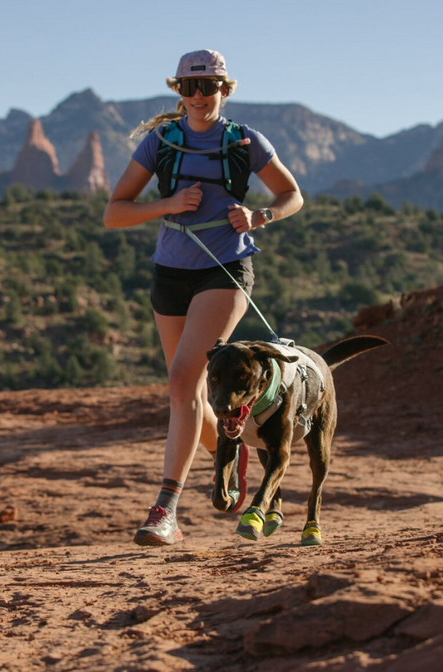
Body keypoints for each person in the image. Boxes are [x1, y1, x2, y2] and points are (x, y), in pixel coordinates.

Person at [103, 49, 303, 546]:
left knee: (180, 380)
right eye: (189, 88)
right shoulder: (162, 142)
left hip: (225, 268)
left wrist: (260, 217)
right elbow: (114, 212)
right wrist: (168, 204)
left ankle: (165, 509)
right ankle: (232, 459)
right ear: (178, 91)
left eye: (208, 86)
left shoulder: (244, 141)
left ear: (225, 90)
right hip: (170, 271)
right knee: (187, 392)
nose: (198, 97)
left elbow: (291, 195)